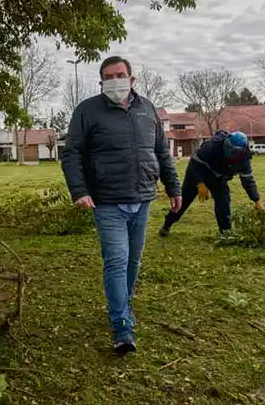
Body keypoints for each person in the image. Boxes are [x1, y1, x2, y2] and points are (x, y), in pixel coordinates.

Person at [61, 56, 182, 355]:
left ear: (132, 78)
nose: (114, 80)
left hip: (142, 198)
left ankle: (123, 307)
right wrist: (79, 190)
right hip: (107, 200)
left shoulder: (147, 109)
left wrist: (173, 185)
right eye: (108, 76)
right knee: (116, 261)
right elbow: (72, 153)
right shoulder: (87, 111)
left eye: (120, 74)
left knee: (133, 262)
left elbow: (161, 153)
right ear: (101, 80)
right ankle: (121, 326)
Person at [158, 130, 262, 238]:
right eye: (228, 147)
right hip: (197, 173)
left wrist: (256, 199)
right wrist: (199, 183)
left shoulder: (244, 159)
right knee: (183, 201)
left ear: (241, 151)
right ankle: (167, 225)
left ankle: (225, 233)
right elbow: (194, 164)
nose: (229, 151)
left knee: (224, 202)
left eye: (233, 150)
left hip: (219, 178)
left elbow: (247, 180)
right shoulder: (211, 145)